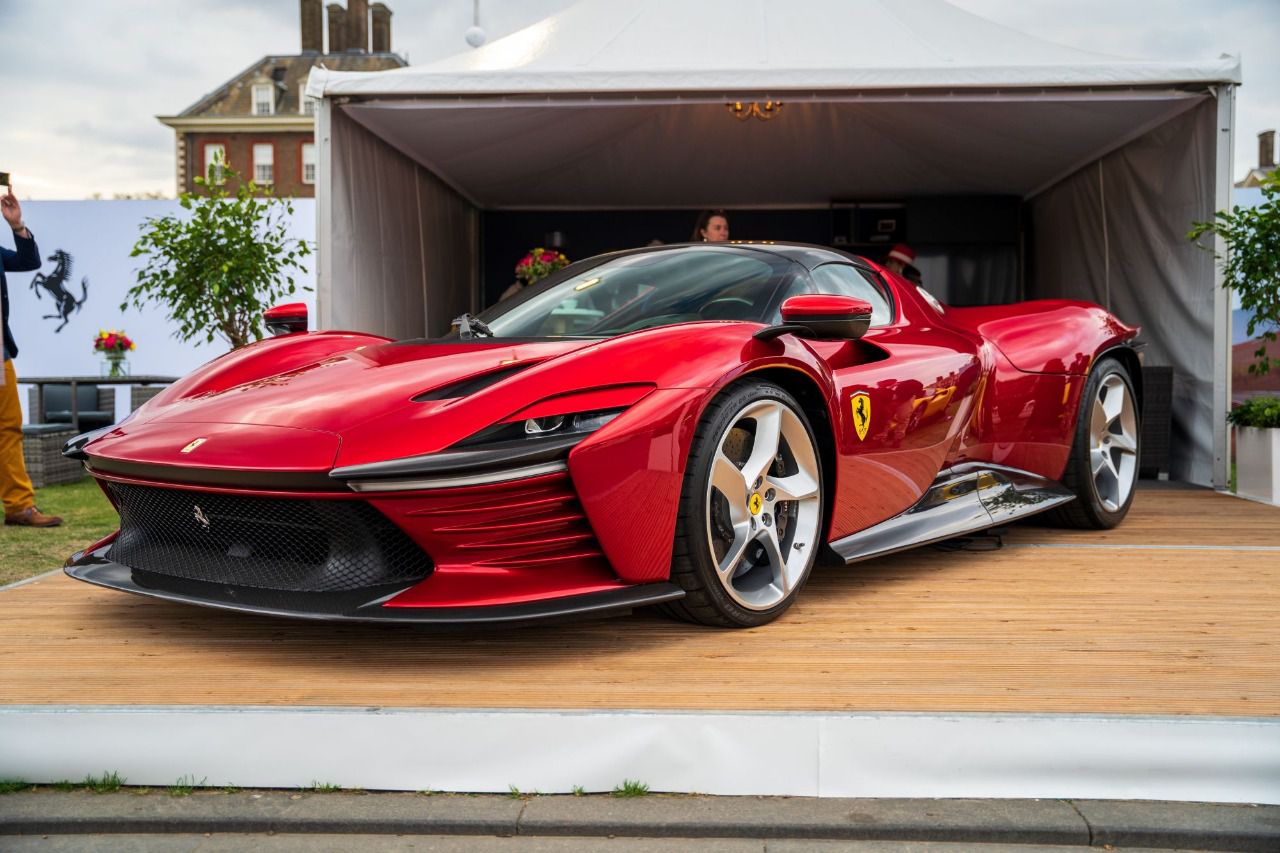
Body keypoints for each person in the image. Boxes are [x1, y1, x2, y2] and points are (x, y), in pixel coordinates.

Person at [1, 185, 62, 527]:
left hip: (1, 355)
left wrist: (17, 225)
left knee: (9, 428)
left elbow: (29, 261)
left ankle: (19, 507)